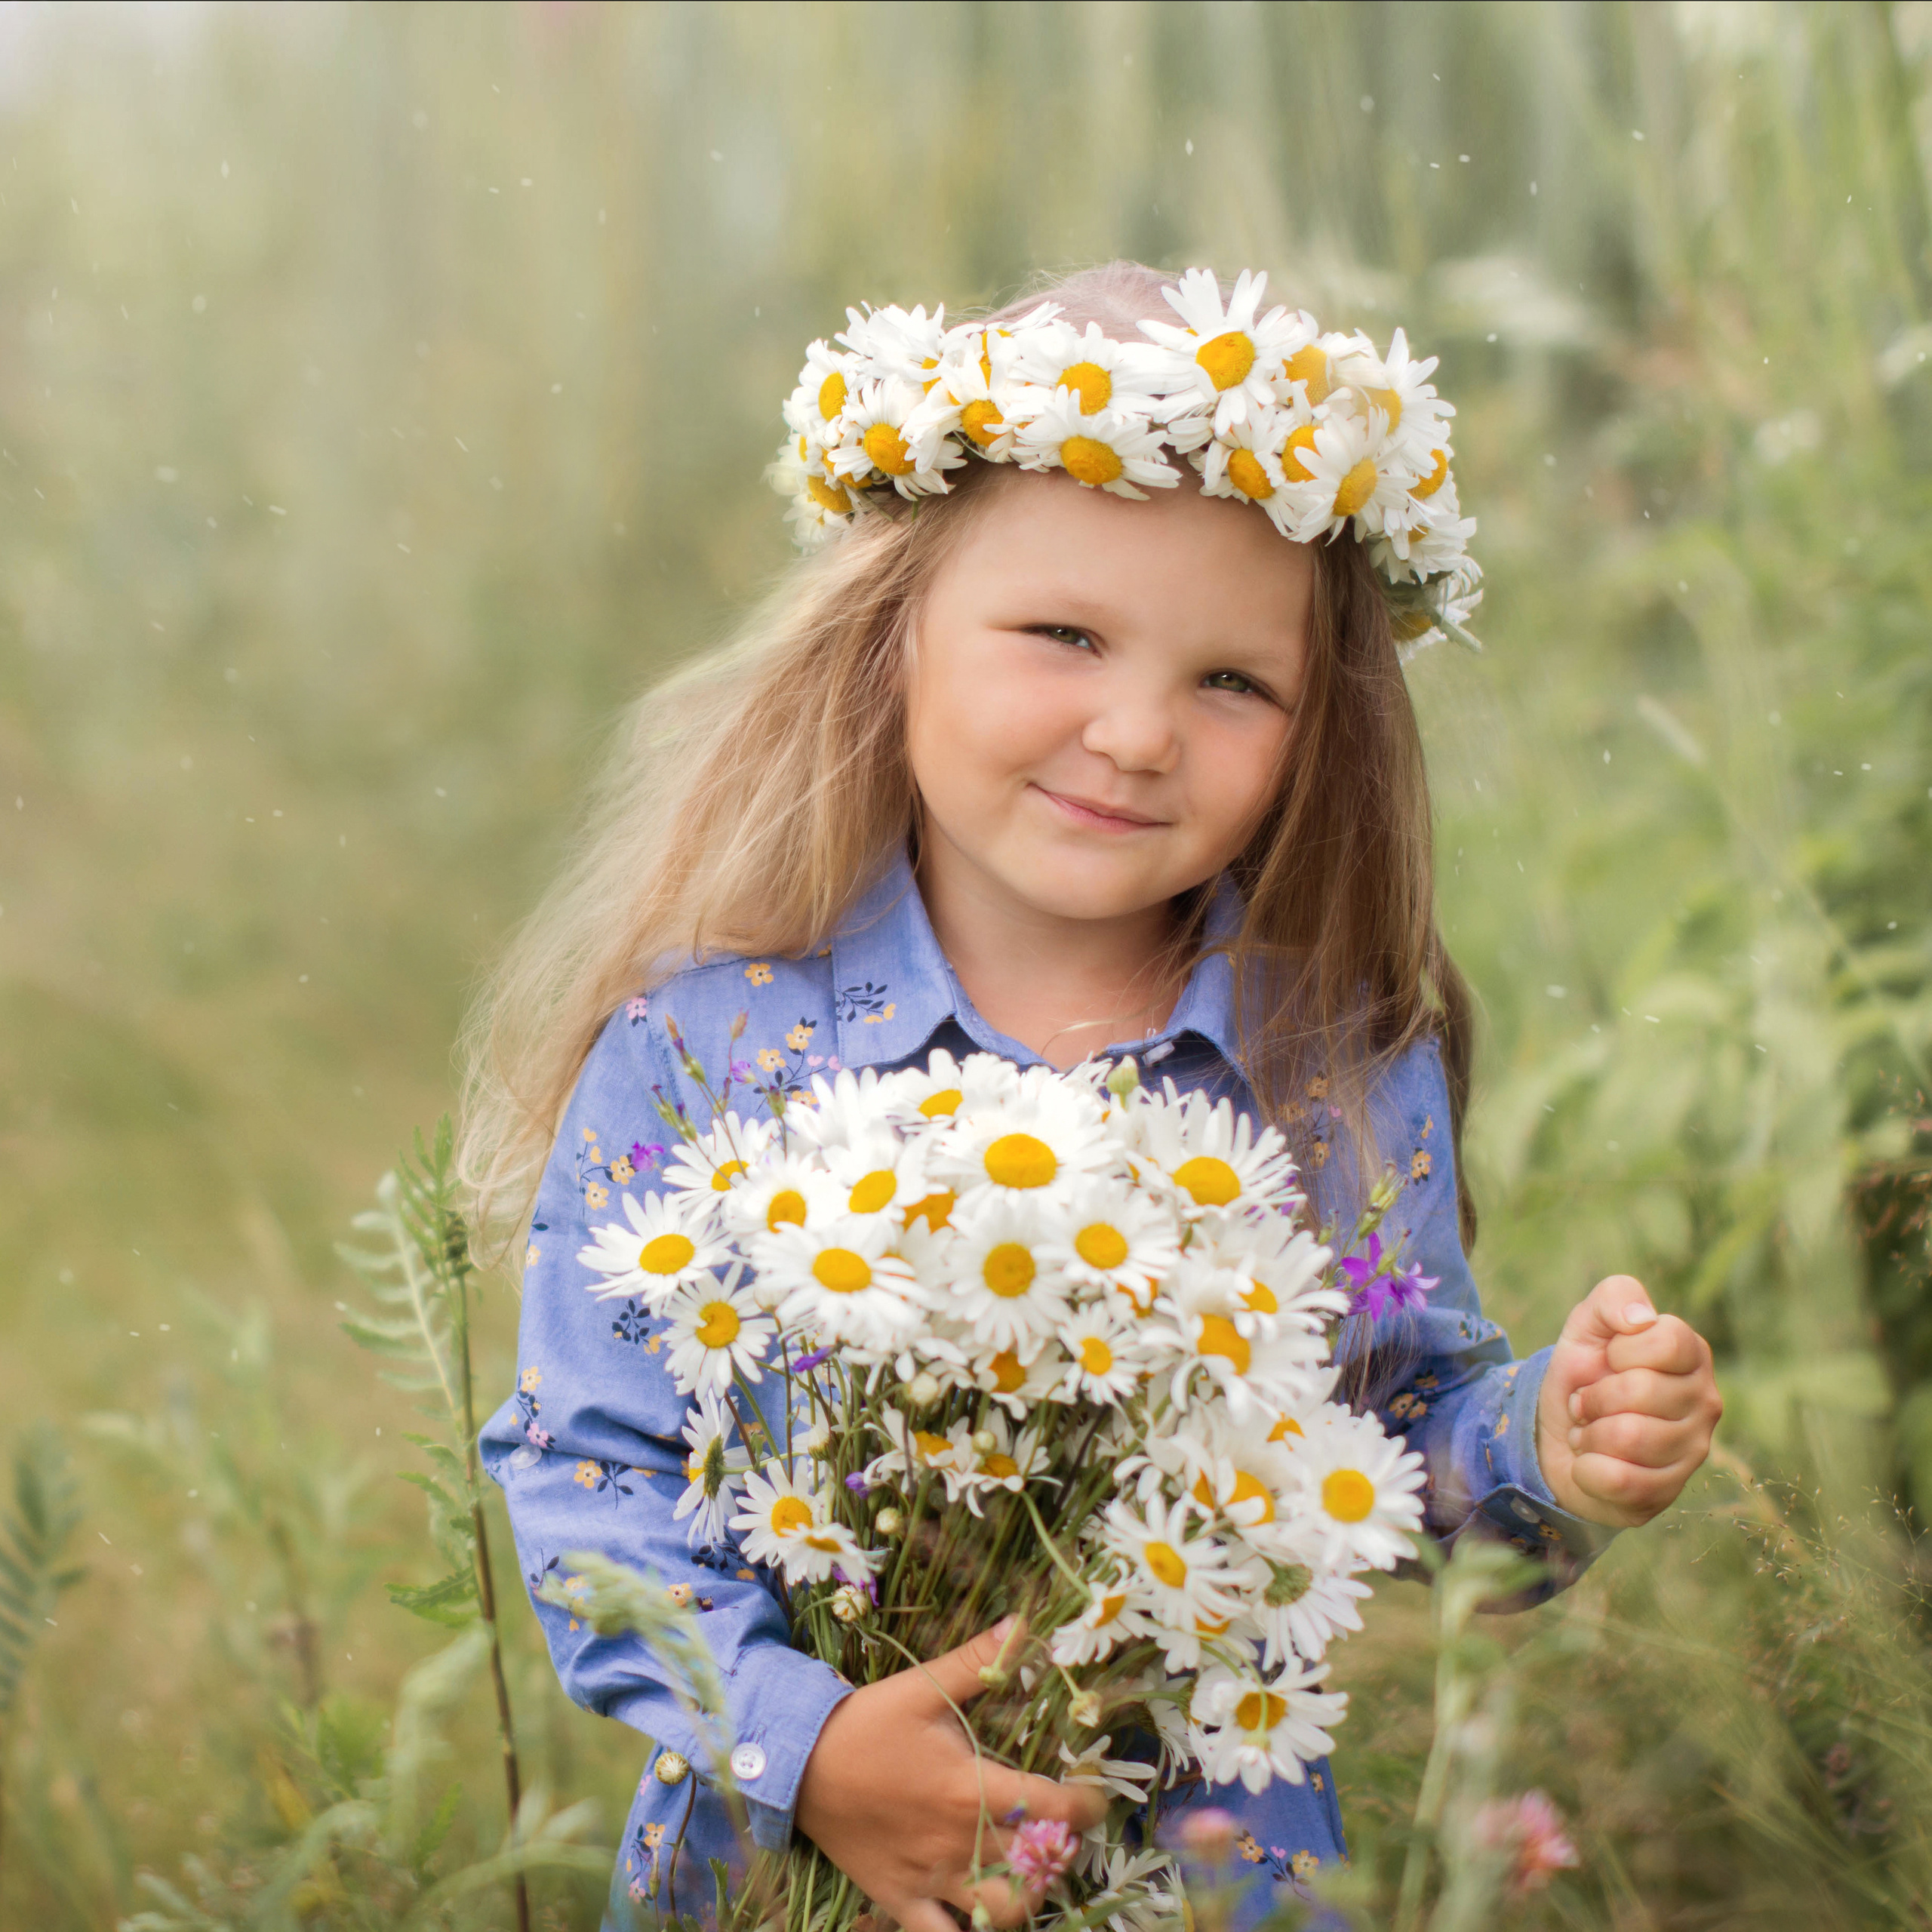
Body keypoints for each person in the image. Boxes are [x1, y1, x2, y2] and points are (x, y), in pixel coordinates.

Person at [464, 260, 1722, 1930]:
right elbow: (585, 1475)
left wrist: (1546, 1448)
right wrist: (811, 1741)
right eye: (1062, 635)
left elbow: (1390, 1452)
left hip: (1201, 1876)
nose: (1133, 732)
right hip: (786, 1868)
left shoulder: (1327, 1073)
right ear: (890, 632)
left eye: (1229, 682)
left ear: (1315, 726)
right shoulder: (706, 1052)